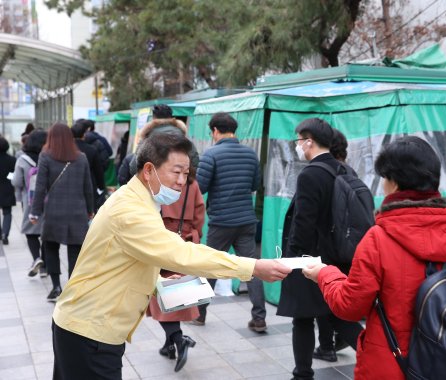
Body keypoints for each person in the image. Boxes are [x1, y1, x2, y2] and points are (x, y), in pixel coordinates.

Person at [51, 132, 291, 380]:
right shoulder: (130, 210)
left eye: (186, 174)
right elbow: (182, 252)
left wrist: (155, 276)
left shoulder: (139, 200)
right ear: (148, 170)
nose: (181, 181)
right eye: (176, 172)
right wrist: (252, 266)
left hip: (89, 327)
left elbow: (123, 259)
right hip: (89, 332)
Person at [302, 136, 446, 379]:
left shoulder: (379, 238)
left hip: (393, 364)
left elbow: (350, 306)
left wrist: (325, 274)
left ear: (395, 183)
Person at [276, 118, 364, 380]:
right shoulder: (344, 170)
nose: (297, 146)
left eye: (298, 141)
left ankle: (302, 374)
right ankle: (378, 352)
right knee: (337, 313)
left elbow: (304, 222)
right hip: (339, 256)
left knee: (302, 318)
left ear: (309, 142)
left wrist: (293, 258)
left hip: (310, 258)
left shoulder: (311, 174)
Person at [195, 112, 267, 332]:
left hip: (221, 222)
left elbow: (200, 187)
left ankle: (199, 314)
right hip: (246, 220)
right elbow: (255, 184)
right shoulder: (250, 154)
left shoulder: (211, 154)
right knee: (252, 268)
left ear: (215, 131)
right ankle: (259, 318)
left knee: (210, 266)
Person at [146, 158, 204, 372]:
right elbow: (199, 213)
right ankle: (169, 345)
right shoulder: (192, 183)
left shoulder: (159, 182)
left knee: (159, 298)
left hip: (161, 239)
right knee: (175, 296)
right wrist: (194, 235)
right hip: (185, 239)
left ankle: (180, 340)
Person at [29, 123, 94, 302]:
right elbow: (88, 187)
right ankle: (72, 289)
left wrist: (35, 212)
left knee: (51, 248)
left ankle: (56, 286)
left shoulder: (46, 157)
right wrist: (90, 211)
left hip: (54, 212)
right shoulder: (81, 158)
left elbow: (40, 187)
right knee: (75, 251)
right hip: (77, 213)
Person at [314, 128, 352, 361]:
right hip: (348, 246)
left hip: (328, 245)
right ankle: (337, 339)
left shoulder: (324, 173)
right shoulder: (350, 171)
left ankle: (328, 345)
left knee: (324, 297)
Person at [11, 130, 48, 277]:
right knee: (46, 232)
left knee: (30, 231)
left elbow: (17, 181)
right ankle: (45, 267)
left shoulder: (22, 159)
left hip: (30, 200)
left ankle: (36, 258)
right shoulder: (47, 157)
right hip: (48, 199)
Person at [71, 121, 106, 207]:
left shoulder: (67, 150)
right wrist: (101, 186)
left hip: (70, 186)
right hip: (89, 185)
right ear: (84, 134)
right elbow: (98, 171)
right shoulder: (92, 150)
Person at [0, 136, 16, 245]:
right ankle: (5, 234)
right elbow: (14, 175)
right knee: (7, 213)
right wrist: (8, 179)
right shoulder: (12, 160)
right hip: (7, 188)